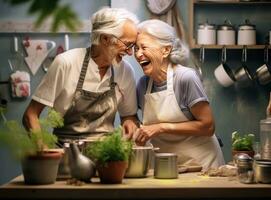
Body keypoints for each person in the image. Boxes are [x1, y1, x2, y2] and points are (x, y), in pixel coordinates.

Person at [23, 7, 139, 144]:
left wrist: (130, 123)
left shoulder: (125, 71)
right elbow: (30, 114)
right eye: (128, 45)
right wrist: (42, 149)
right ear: (105, 39)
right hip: (67, 156)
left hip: (108, 156)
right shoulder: (66, 63)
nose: (131, 53)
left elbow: (129, 116)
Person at [133, 19, 224, 170]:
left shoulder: (185, 78)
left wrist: (161, 127)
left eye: (143, 47)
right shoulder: (143, 85)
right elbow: (139, 124)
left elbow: (208, 127)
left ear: (166, 50)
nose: (138, 54)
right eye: (136, 48)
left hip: (201, 165)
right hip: (166, 167)